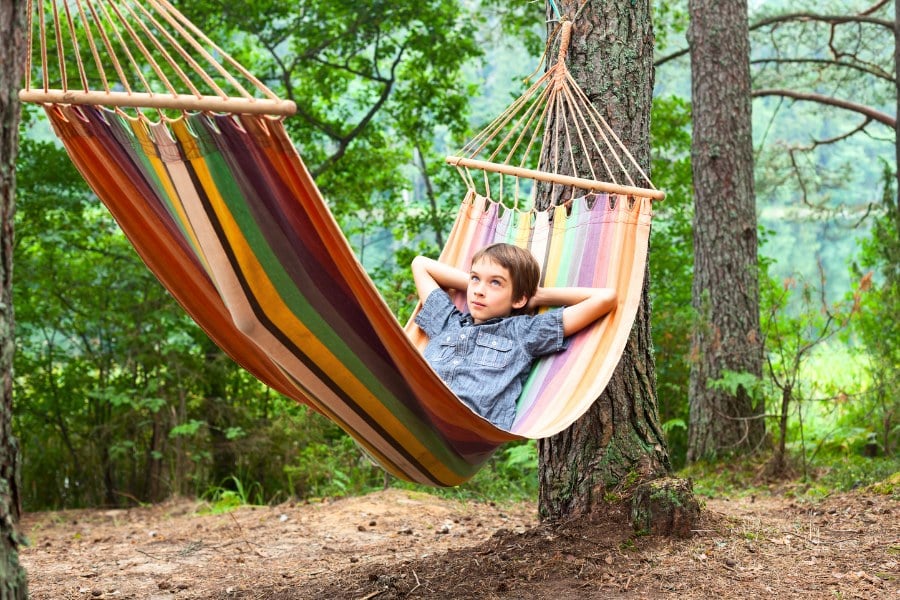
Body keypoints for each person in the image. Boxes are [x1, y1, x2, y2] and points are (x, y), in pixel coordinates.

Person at [411, 243, 617, 430]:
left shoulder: (522, 332)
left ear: (519, 299)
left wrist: (538, 296)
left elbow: (605, 298)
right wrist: (480, 286)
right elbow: (421, 265)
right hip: (413, 412)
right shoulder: (447, 322)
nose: (479, 291)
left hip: (463, 430)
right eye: (475, 278)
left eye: (496, 283)